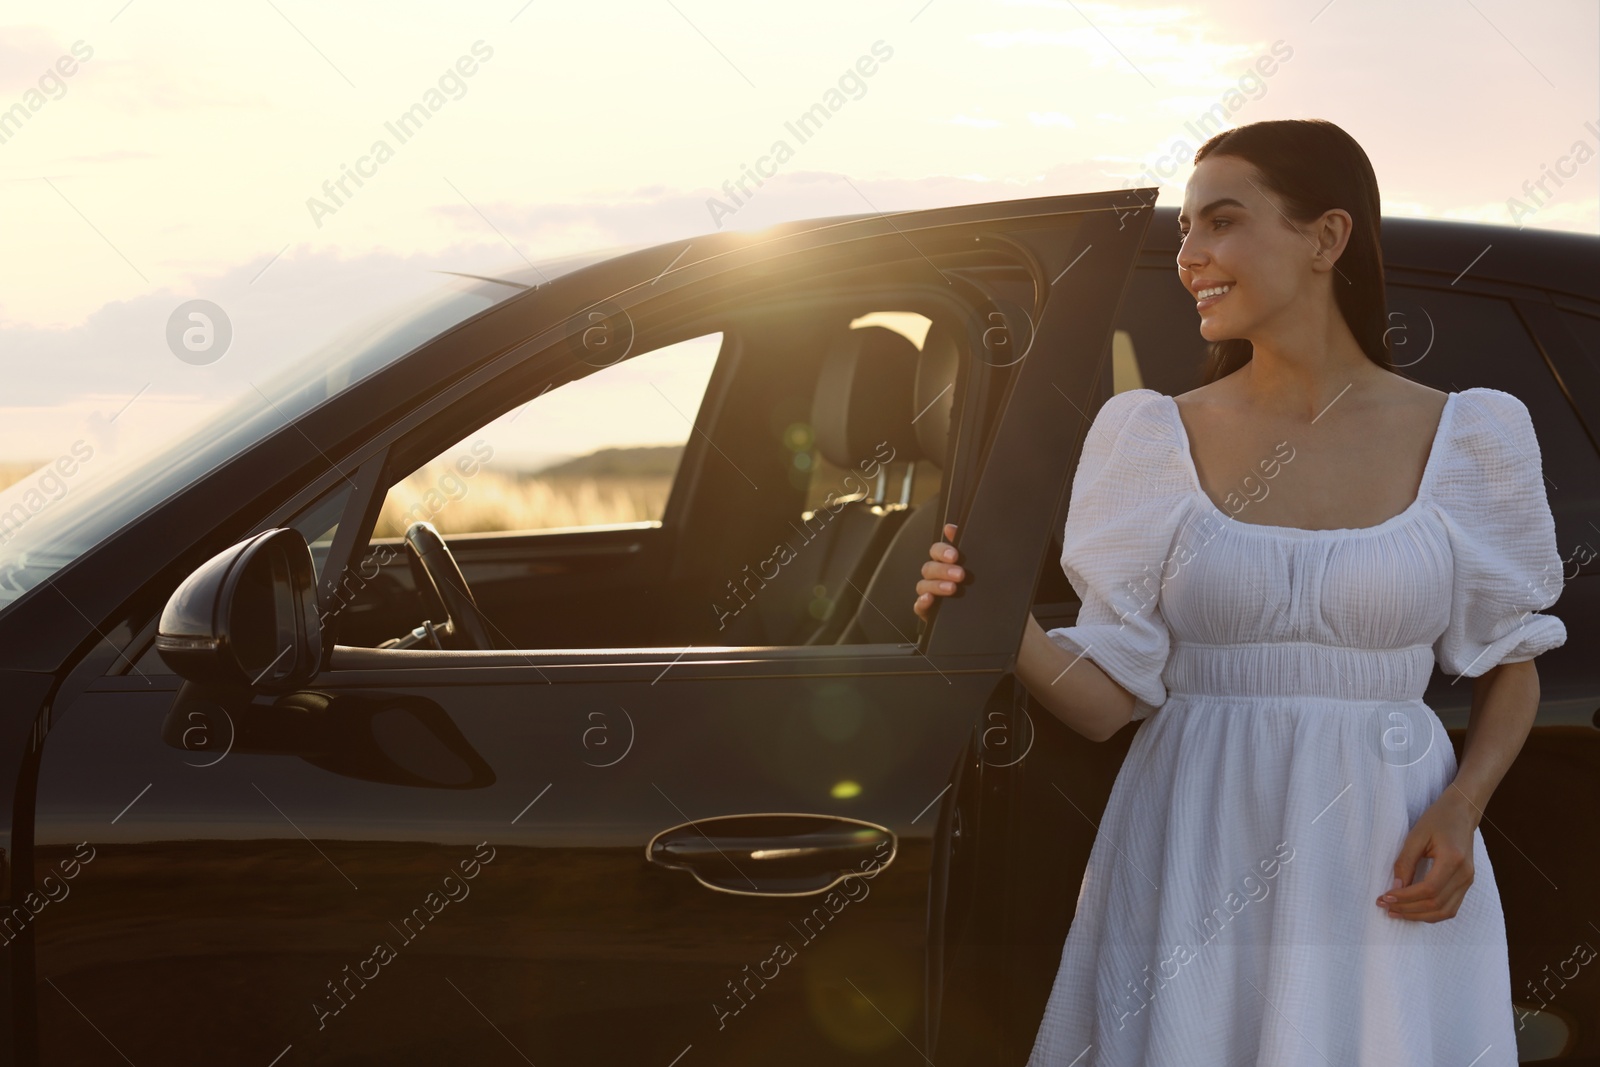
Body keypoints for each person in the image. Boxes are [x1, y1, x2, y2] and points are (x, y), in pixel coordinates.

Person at [913, 118, 1567, 1065]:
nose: (1188, 257)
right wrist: (995, 614)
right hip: (1196, 834)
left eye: (1219, 222)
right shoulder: (1147, 437)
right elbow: (1105, 705)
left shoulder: (1471, 436)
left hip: (1386, 846)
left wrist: (1463, 806)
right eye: (1183, 230)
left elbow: (1512, 659)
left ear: (1326, 237)